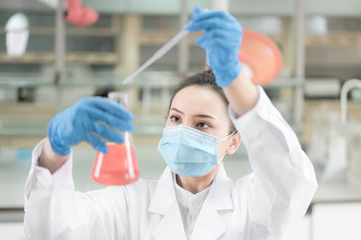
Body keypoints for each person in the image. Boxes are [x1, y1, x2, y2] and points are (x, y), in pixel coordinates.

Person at [24, 6, 317, 240]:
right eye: (176, 118)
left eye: (202, 124)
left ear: (233, 141)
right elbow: (50, 232)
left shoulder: (250, 205)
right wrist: (54, 150)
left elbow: (291, 183)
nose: (182, 132)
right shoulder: (130, 204)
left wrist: (235, 77)